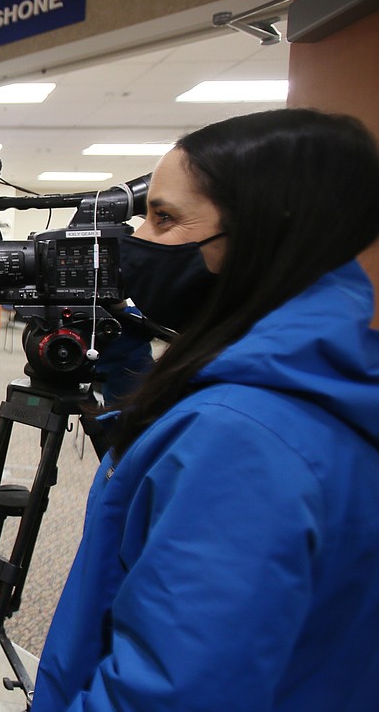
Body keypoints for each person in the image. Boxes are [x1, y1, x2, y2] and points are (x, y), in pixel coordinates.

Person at [32, 108, 379, 712]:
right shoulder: (325, 384)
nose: (139, 241)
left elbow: (170, 693)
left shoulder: (241, 438)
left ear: (264, 233)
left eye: (165, 218)